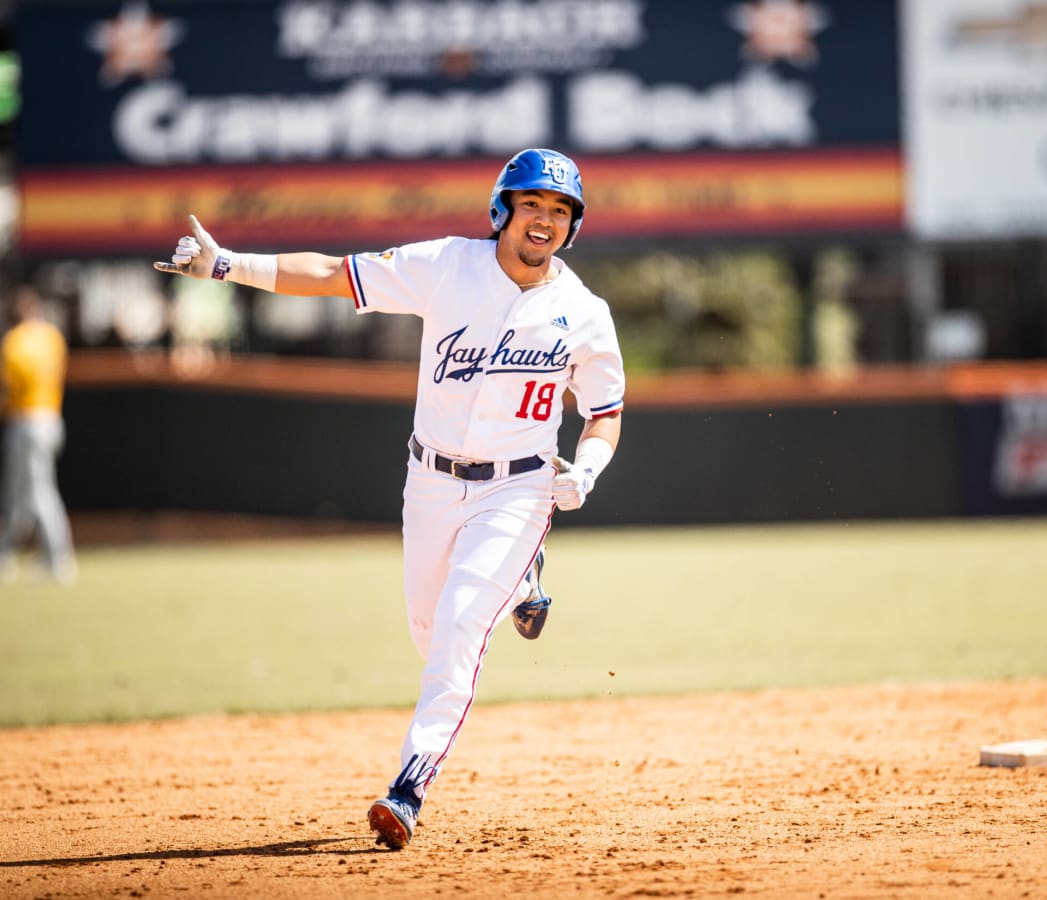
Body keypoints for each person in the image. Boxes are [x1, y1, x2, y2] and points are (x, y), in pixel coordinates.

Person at [154, 148, 624, 850]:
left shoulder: (583, 312)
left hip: (520, 488)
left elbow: (605, 412)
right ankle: (522, 578)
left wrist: (586, 468)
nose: (544, 220)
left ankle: (409, 787)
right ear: (504, 209)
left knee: (462, 631)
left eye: (560, 211)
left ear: (572, 226)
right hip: (431, 480)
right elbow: (331, 275)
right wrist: (228, 265)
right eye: (533, 204)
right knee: (430, 634)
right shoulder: (445, 267)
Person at [0, 285, 77, 585]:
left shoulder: (14, 342)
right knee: (21, 493)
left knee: (38, 491)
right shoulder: (51, 337)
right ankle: (7, 552)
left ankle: (59, 557)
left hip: (25, 421)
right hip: (51, 419)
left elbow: (7, 389)